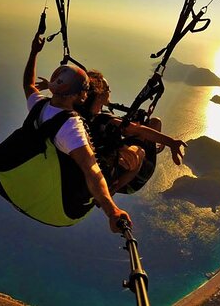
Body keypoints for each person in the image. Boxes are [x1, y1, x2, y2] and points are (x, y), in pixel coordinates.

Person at [23, 32, 131, 233]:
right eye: (84, 90)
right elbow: (92, 170)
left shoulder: (39, 105)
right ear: (79, 95)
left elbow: (28, 85)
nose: (86, 94)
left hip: (34, 184)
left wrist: (34, 52)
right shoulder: (72, 128)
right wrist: (112, 211)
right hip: (65, 205)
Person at [76, 70, 187, 194]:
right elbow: (138, 129)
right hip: (134, 178)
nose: (109, 91)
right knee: (153, 127)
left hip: (107, 166)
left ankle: (150, 146)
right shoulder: (105, 119)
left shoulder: (80, 115)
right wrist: (171, 142)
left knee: (143, 129)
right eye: (108, 89)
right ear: (100, 95)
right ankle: (115, 187)